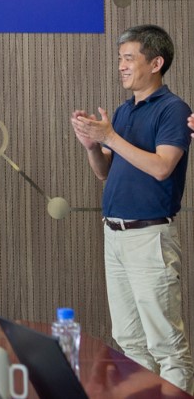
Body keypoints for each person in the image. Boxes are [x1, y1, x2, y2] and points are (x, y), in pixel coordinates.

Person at [70, 25, 194, 392]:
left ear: (156, 63)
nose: (121, 66)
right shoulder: (124, 112)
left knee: (167, 348)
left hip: (149, 236)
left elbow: (162, 167)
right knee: (130, 344)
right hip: (115, 236)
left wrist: (109, 136)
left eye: (129, 58)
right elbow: (104, 172)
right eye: (120, 59)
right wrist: (93, 145)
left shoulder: (173, 110)